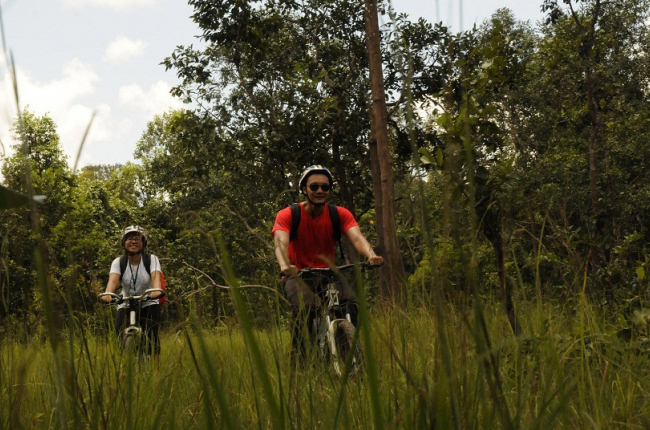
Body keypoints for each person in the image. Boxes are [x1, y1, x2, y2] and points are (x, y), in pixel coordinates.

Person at [271, 165, 383, 364]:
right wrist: (285, 265)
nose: (320, 191)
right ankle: (302, 356)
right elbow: (280, 242)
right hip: (297, 274)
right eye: (314, 187)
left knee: (351, 304)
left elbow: (357, 238)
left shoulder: (338, 214)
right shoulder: (288, 214)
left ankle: (347, 351)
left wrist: (371, 254)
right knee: (306, 309)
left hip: (328, 273)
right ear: (304, 189)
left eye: (325, 187)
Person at [101, 225, 164, 357]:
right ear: (124, 243)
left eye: (137, 238)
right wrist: (107, 294)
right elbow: (113, 281)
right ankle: (124, 366)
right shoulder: (118, 262)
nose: (133, 241)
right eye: (130, 238)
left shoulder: (151, 259)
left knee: (151, 336)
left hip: (148, 301)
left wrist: (156, 291)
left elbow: (155, 277)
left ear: (143, 243)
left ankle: (155, 367)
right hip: (125, 302)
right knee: (119, 335)